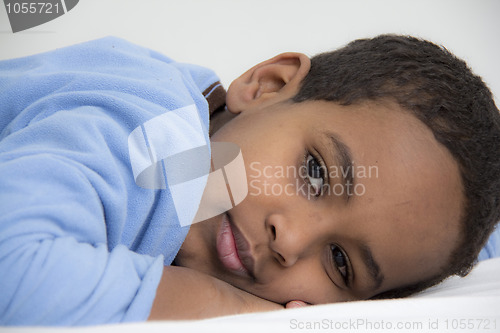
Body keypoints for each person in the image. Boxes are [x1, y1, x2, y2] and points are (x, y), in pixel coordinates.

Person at [0, 35, 498, 325]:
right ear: (268, 86)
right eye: (315, 173)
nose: (292, 239)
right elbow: (12, 268)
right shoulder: (145, 133)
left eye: (341, 263)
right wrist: (226, 306)